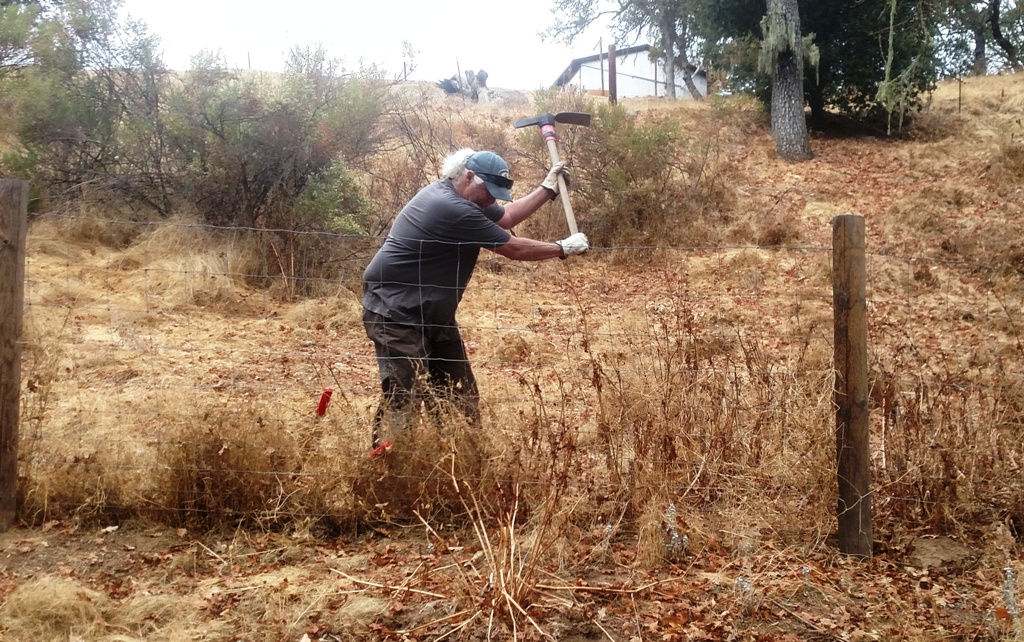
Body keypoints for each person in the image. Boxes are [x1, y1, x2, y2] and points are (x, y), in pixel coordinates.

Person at [362, 148, 589, 446]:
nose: (493, 200)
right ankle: (387, 469)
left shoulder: (469, 197)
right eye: (490, 191)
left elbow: (506, 217)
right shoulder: (451, 207)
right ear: (469, 177)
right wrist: (562, 247)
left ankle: (464, 461)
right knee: (404, 394)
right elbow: (514, 248)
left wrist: (546, 190)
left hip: (432, 313)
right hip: (395, 312)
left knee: (460, 395)